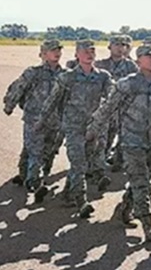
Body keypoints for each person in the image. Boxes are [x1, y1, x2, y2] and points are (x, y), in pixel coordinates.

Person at [88, 44, 151, 242]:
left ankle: (125, 208)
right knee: (140, 182)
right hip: (132, 141)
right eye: (150, 56)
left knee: (143, 180)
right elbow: (107, 108)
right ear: (139, 60)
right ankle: (148, 224)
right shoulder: (127, 84)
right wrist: (93, 130)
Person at [37, 39, 113, 217]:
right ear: (76, 54)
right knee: (78, 164)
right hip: (73, 127)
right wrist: (41, 120)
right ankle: (81, 202)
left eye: (92, 50)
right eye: (85, 51)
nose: (89, 53)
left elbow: (113, 97)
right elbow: (52, 101)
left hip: (92, 128)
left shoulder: (103, 76)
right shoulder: (67, 77)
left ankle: (67, 195)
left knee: (83, 163)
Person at [3, 39, 65, 196]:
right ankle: (34, 182)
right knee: (35, 150)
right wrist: (9, 106)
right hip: (34, 119)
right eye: (53, 50)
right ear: (43, 54)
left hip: (56, 120)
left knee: (48, 151)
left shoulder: (65, 75)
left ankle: (26, 174)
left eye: (58, 50)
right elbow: (17, 88)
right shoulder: (33, 72)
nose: (57, 53)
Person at [96, 35, 139, 173]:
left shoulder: (130, 66)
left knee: (122, 135)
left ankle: (117, 161)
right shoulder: (101, 65)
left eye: (123, 45)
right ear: (110, 47)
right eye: (117, 45)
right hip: (105, 107)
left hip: (123, 108)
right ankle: (98, 164)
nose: (120, 48)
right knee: (103, 137)